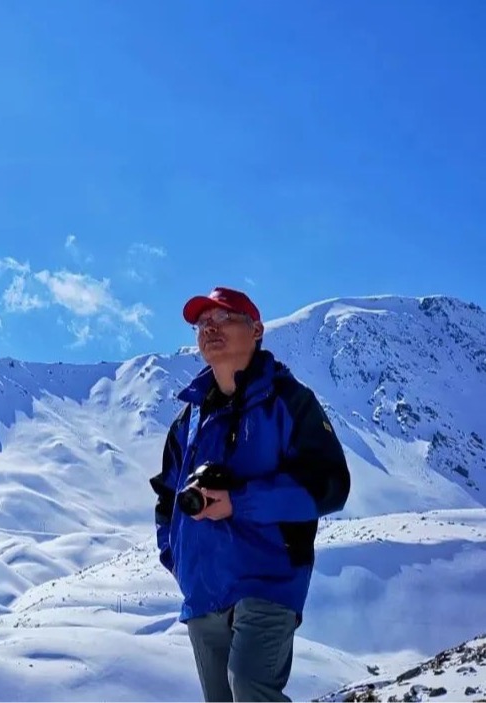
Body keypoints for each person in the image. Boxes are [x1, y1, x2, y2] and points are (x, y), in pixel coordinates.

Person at [148, 286, 351, 702]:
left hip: (268, 579)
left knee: (250, 686)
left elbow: (330, 484)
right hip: (203, 590)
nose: (210, 328)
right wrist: (176, 558)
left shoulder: (288, 401)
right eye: (202, 323)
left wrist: (239, 502)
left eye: (223, 318)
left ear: (256, 330)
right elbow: (167, 498)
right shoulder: (188, 420)